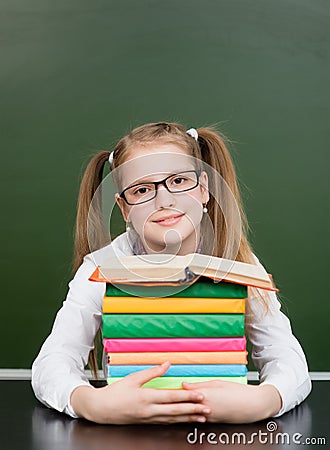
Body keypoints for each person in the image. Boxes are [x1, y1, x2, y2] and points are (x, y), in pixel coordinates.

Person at [31, 122, 311, 425]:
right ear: (124, 209)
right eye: (141, 189)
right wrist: (90, 403)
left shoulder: (237, 262)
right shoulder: (102, 267)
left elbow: (288, 359)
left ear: (204, 188)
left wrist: (265, 400)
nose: (164, 200)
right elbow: (51, 364)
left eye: (178, 180)